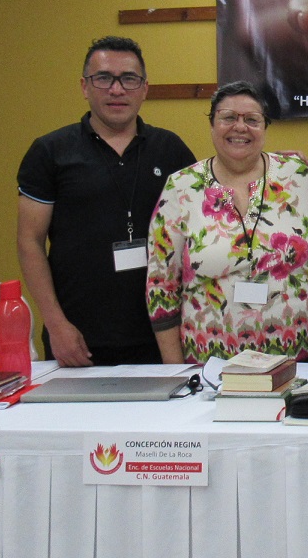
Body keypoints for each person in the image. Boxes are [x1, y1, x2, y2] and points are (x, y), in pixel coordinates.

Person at [17, 36, 195, 366]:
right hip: (77, 337)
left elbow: (215, 208)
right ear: (84, 86)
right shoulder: (50, 152)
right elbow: (30, 242)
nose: (116, 89)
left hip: (161, 335)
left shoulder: (170, 149)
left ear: (144, 88)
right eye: (104, 78)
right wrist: (56, 325)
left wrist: (273, 171)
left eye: (129, 79)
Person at [146, 82, 308, 364]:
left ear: (265, 127)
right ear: (212, 125)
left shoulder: (300, 177)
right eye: (228, 117)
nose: (240, 127)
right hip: (211, 365)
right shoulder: (181, 187)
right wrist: (175, 372)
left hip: (298, 359)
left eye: (252, 119)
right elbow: (161, 284)